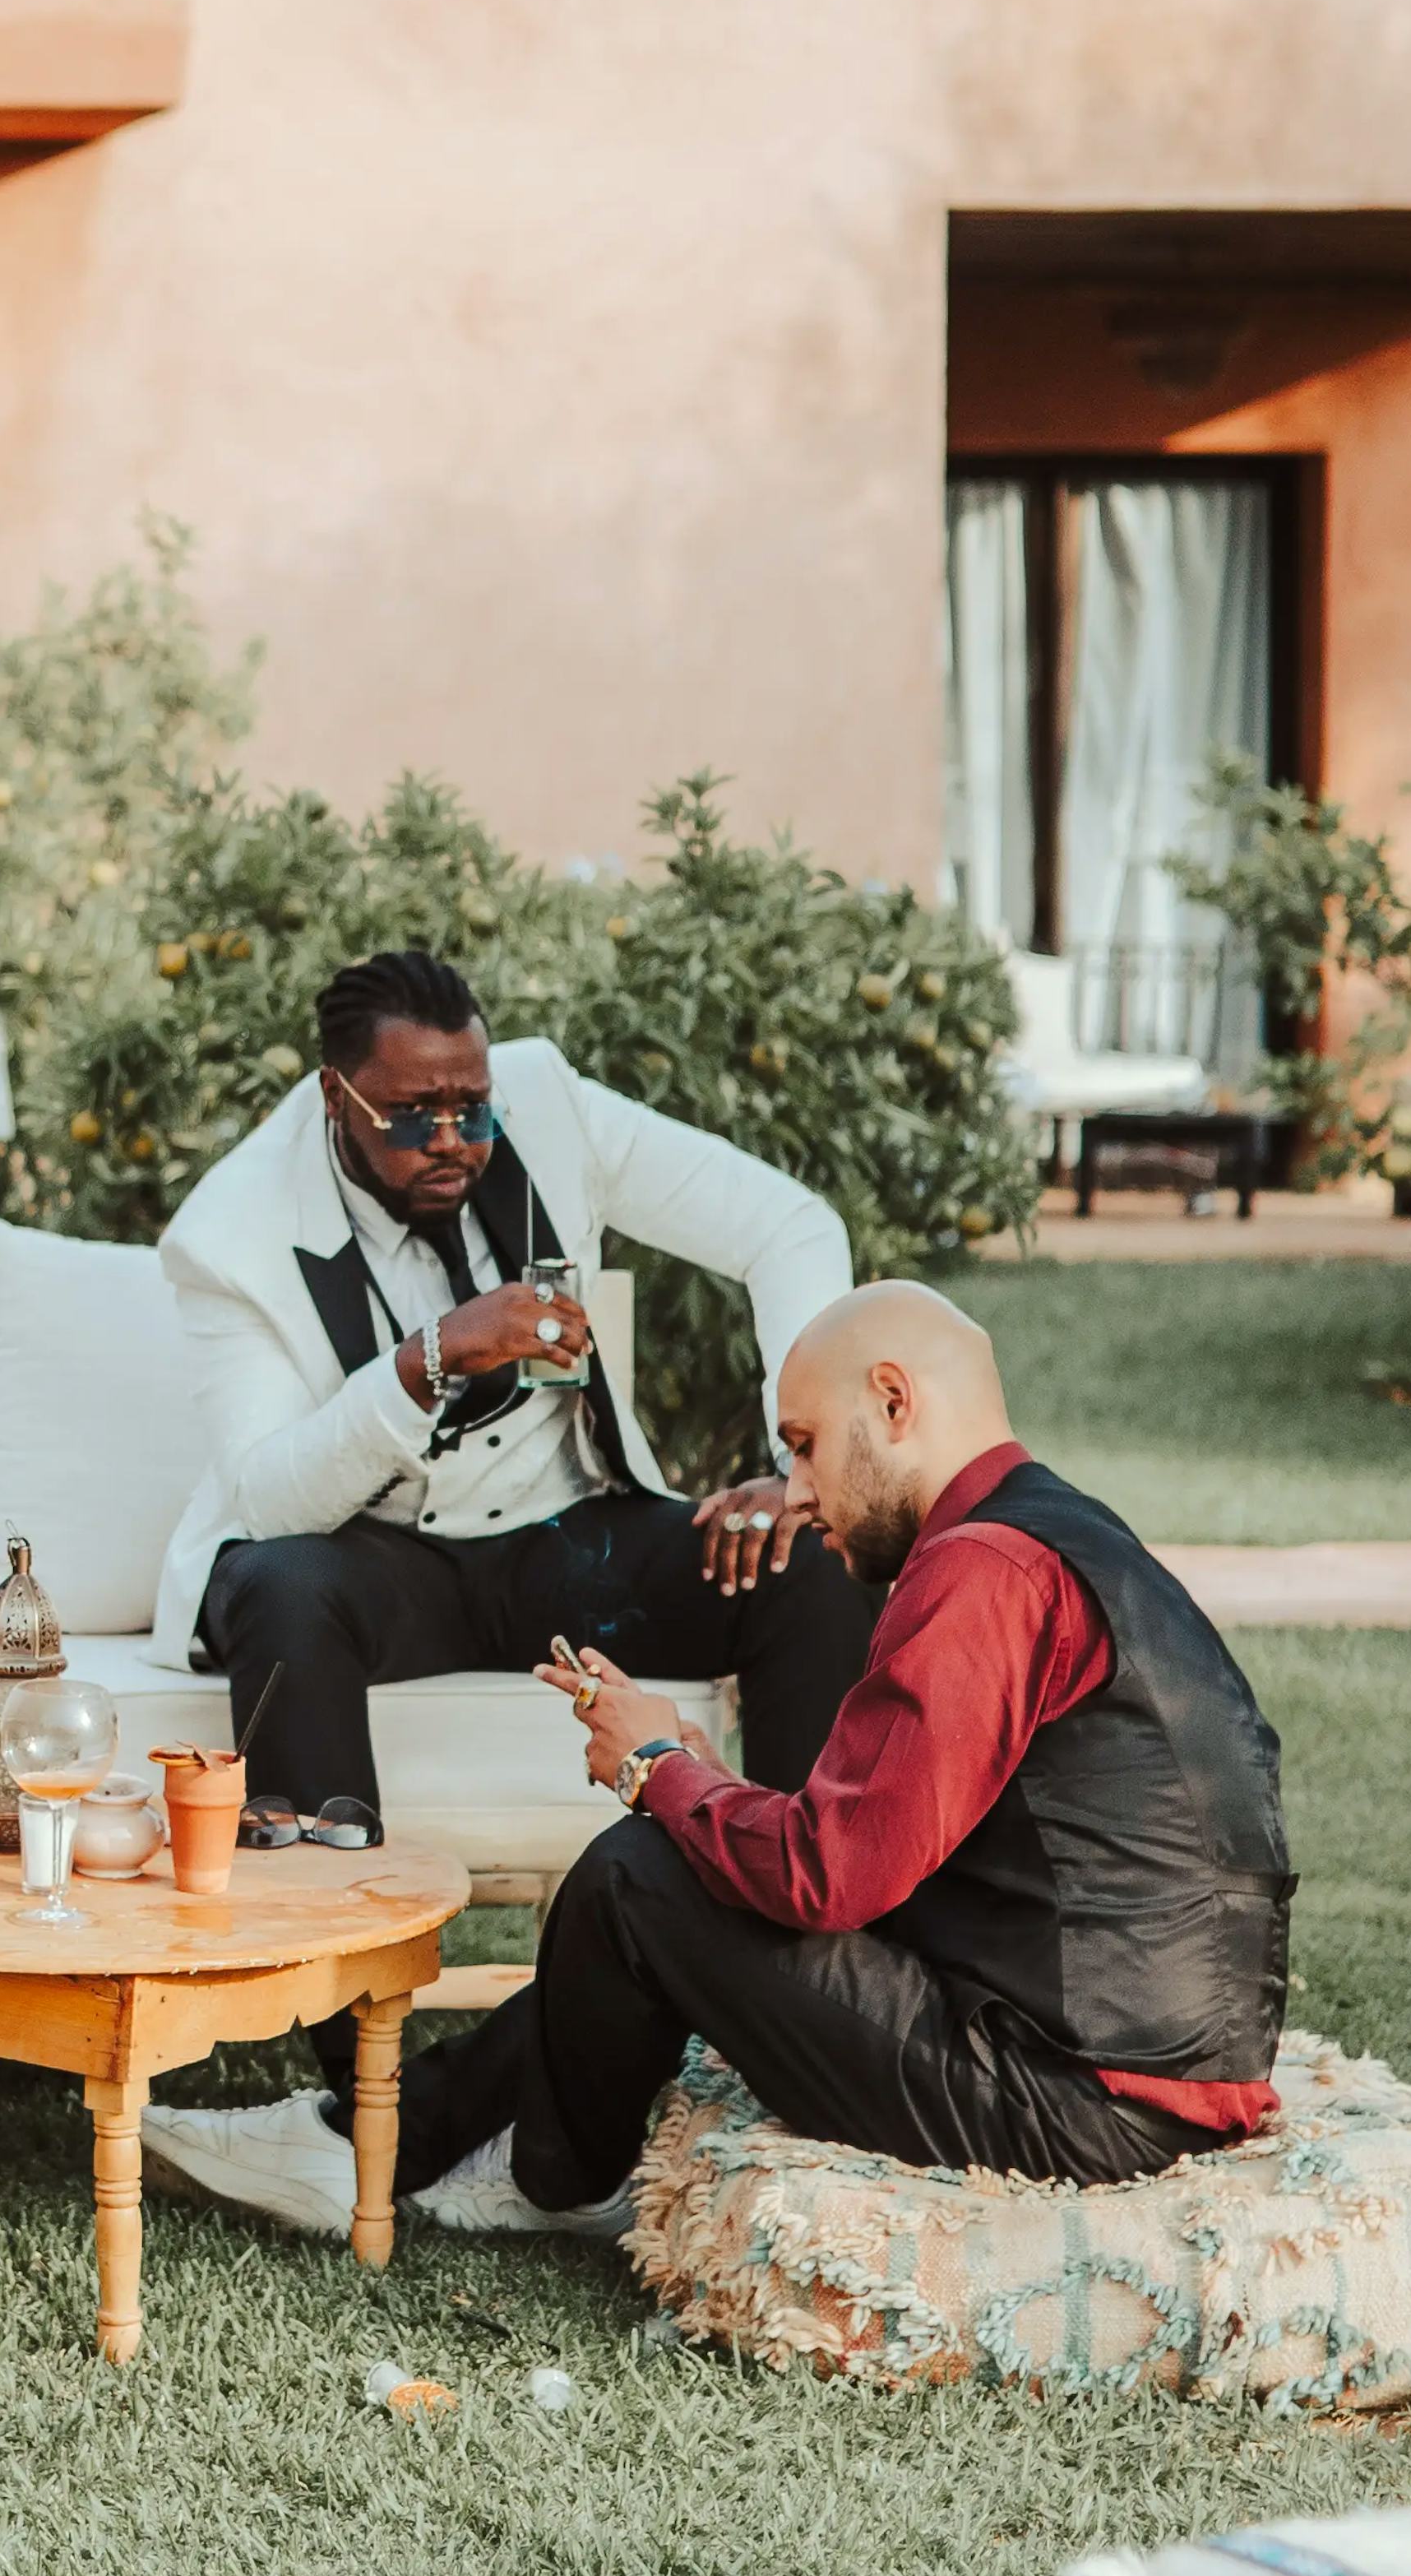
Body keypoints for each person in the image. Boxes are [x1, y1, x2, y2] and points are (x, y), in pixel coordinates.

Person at [158, 1278, 1296, 2245]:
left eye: (803, 1446)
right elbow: (903, 1839)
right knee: (675, 1853)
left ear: (893, 1402)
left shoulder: (981, 1574)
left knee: (635, 1878)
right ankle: (400, 2123)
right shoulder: (1057, 1535)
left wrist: (658, 1765)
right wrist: (707, 1777)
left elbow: (831, 1879)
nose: (795, 1491)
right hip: (1151, 2070)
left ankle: (537, 2181)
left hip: (1075, 2105)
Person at [141, 943, 872, 2232]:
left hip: (568, 1536)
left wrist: (796, 1460)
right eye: (411, 1114)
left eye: (469, 1106)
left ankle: (809, 1963)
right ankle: (357, 2085)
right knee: (277, 1590)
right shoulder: (230, 1232)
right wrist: (427, 1360)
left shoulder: (547, 1098)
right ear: (334, 1098)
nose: (453, 1138)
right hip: (377, 1556)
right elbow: (267, 1494)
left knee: (806, 1566)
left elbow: (788, 1224)